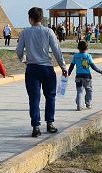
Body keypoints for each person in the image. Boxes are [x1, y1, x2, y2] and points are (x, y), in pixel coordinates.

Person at [16, 7, 67, 137]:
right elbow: (57, 50)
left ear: (30, 18)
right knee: (50, 96)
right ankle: (50, 123)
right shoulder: (48, 31)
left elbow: (19, 50)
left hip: (32, 68)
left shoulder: (25, 33)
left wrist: (23, 59)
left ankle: (36, 126)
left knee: (34, 98)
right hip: (47, 68)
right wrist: (63, 67)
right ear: (41, 18)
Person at [66, 40, 102, 111]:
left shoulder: (75, 56)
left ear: (77, 48)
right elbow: (93, 66)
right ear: (87, 48)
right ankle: (88, 104)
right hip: (87, 77)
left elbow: (71, 66)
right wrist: (99, 71)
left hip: (78, 77)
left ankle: (79, 106)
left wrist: (68, 73)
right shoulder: (88, 56)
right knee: (89, 90)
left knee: (79, 91)